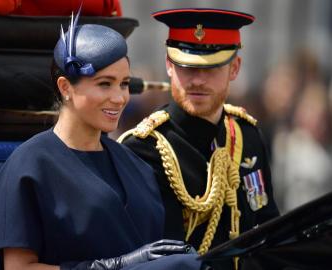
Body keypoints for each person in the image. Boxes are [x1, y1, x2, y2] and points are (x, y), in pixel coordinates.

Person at [0, 13, 202, 270]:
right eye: (104, 84)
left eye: (123, 84)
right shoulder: (32, 163)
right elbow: (19, 268)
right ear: (65, 87)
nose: (119, 98)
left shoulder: (134, 164)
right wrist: (107, 267)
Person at [119, 8, 280, 267]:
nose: (197, 80)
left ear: (234, 68)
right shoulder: (144, 148)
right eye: (187, 67)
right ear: (169, 66)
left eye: (212, 68)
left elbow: (268, 227)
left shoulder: (247, 136)